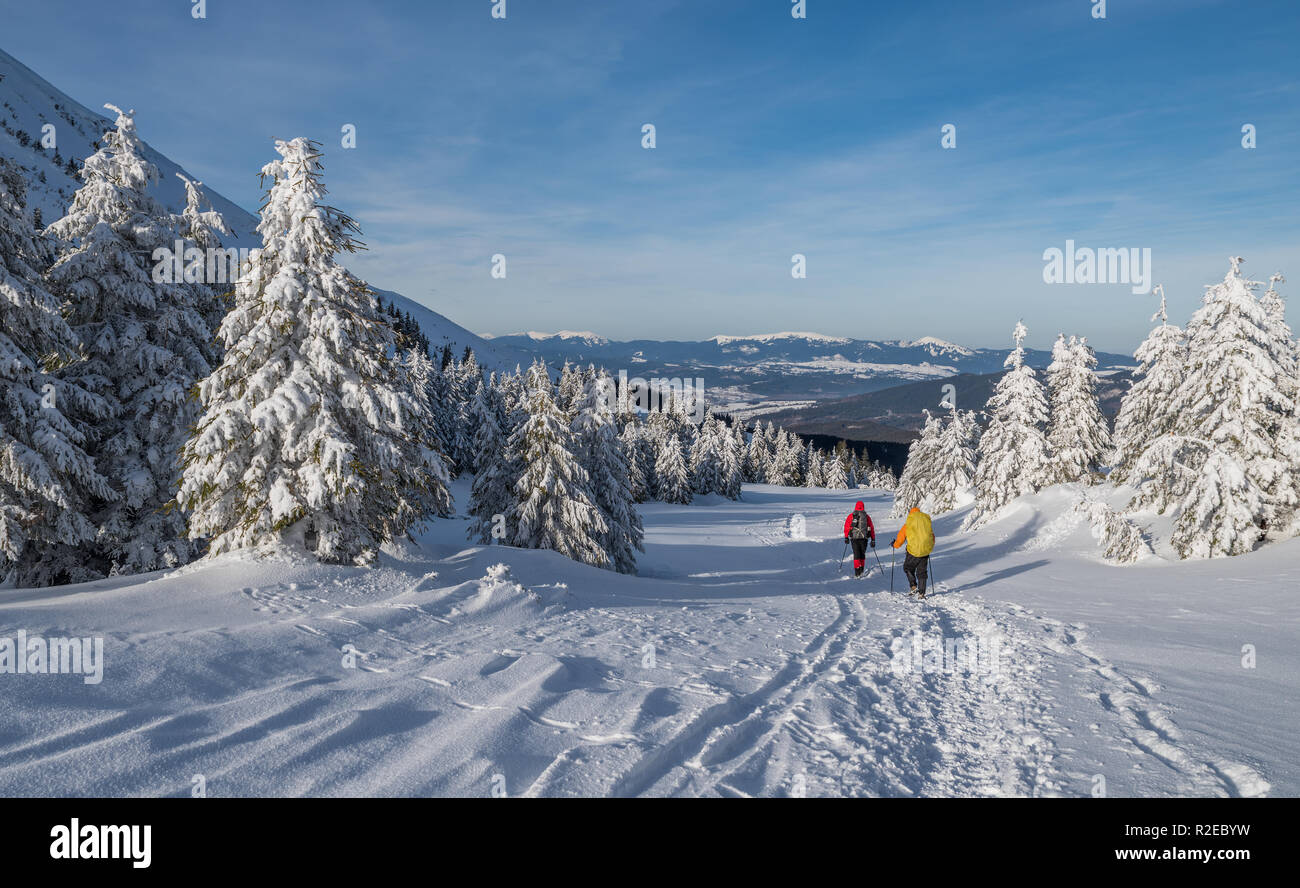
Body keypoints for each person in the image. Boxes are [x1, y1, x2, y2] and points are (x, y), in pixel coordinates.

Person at [891, 506, 935, 598]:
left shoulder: (909, 523)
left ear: (911, 514)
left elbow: (900, 539)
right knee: (922, 572)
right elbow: (932, 536)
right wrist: (929, 547)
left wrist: (895, 545)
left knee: (908, 568)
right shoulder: (925, 523)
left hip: (913, 552)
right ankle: (922, 593)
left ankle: (913, 586)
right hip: (925, 551)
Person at [842, 501, 876, 578]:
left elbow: (847, 526)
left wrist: (846, 537)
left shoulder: (851, 516)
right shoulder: (866, 517)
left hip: (854, 538)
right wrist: (873, 539)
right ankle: (862, 570)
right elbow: (872, 528)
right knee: (862, 554)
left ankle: (857, 572)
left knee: (856, 554)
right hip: (864, 538)